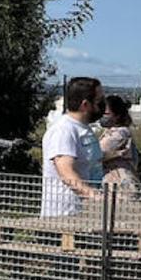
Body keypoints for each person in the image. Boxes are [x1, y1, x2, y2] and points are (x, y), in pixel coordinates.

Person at [41, 76, 103, 217]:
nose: (103, 106)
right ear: (85, 105)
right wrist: (93, 195)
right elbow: (66, 171)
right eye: (99, 101)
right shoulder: (64, 130)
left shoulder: (83, 128)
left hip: (85, 212)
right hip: (64, 216)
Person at [99, 94, 139, 199]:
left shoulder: (119, 134)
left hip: (121, 187)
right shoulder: (110, 131)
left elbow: (97, 153)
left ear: (117, 115)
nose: (102, 116)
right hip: (113, 185)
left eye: (106, 113)